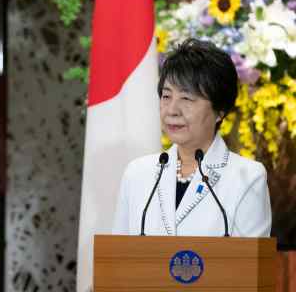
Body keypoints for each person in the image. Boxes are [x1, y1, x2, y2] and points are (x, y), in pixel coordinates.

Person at [112, 39, 271, 237]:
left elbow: (250, 264)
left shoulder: (247, 177)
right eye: (166, 96)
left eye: (186, 98)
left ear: (219, 111)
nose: (172, 110)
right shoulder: (137, 174)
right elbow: (117, 258)